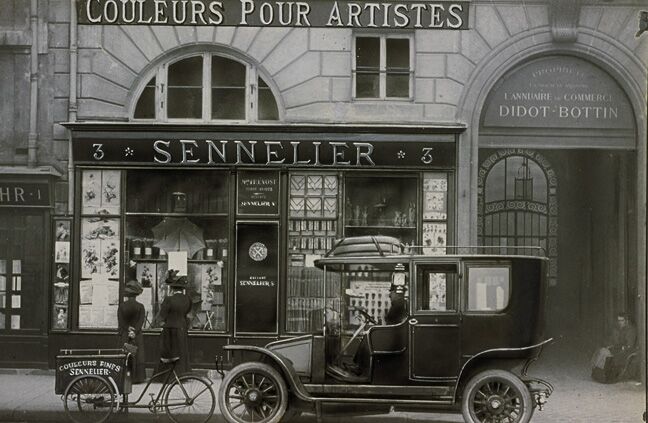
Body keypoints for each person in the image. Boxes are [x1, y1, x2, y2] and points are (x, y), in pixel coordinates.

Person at [156, 269, 192, 375]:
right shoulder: (187, 299)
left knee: (170, 353)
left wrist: (161, 322)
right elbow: (187, 313)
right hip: (182, 328)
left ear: (172, 288)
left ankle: (168, 376)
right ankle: (182, 374)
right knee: (181, 351)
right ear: (182, 288)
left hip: (170, 330)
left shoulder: (169, 299)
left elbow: (162, 315)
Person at [591, 313, 637, 383]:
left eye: (622, 320)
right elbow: (616, 341)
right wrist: (611, 346)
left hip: (625, 351)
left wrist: (616, 347)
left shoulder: (630, 330)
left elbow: (629, 345)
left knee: (605, 353)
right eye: (619, 320)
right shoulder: (619, 329)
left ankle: (604, 375)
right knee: (601, 350)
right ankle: (597, 372)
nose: (620, 322)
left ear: (626, 320)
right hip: (618, 349)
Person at [118, 279, 146, 383]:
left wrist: (128, 328)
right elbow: (141, 321)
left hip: (125, 334)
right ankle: (137, 378)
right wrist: (134, 331)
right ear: (136, 295)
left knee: (125, 354)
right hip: (137, 335)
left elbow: (121, 321)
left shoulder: (122, 306)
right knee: (137, 355)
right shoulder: (140, 306)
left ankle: (126, 377)